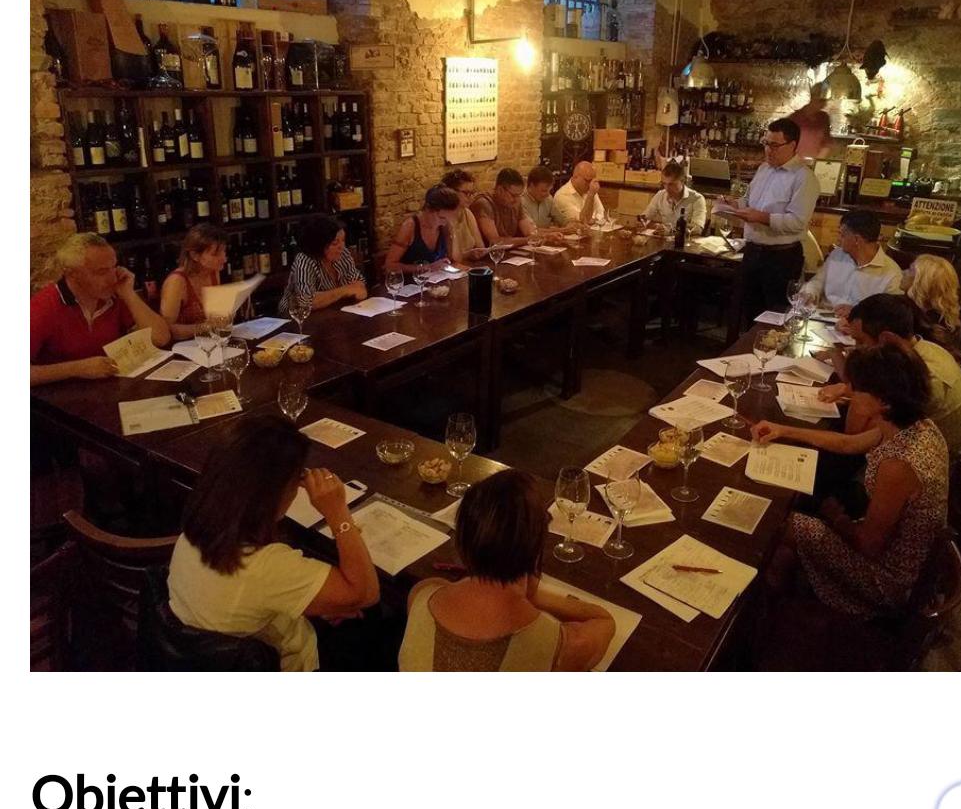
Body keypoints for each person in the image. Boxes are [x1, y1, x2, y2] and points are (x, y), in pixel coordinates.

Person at [167, 415, 379, 671]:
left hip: (198, 653)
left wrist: (309, 601)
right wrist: (338, 513)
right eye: (296, 480)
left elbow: (249, 594)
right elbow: (366, 593)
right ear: (271, 494)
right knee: (375, 631)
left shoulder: (197, 528)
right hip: (276, 662)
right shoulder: (266, 565)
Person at [756, 344, 949, 616]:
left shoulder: (899, 465)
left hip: (887, 581)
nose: (849, 392)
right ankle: (775, 608)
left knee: (781, 524)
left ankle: (766, 616)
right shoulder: (915, 425)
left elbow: (869, 546)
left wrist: (835, 518)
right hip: (893, 554)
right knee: (786, 544)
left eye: (857, 389)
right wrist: (783, 430)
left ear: (884, 401)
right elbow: (848, 443)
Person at [399, 469, 615, 672]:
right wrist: (533, 595)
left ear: (463, 540)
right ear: (535, 548)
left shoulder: (420, 595)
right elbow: (604, 621)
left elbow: (445, 588)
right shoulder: (561, 646)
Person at [833, 292, 961, 457]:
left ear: (886, 339)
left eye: (861, 341)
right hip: (908, 452)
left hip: (933, 464)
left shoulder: (919, 378)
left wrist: (855, 389)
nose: (856, 348)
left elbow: (854, 436)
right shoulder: (925, 349)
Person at [713, 118, 820, 324]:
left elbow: (798, 222)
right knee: (750, 314)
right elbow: (749, 201)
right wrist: (734, 204)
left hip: (781, 258)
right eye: (766, 143)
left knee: (775, 317)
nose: (768, 150)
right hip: (753, 252)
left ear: (793, 145)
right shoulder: (764, 169)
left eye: (774, 145)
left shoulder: (804, 178)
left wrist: (762, 218)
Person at [30, 232, 171, 386]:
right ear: (72, 274)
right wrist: (76, 368)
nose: (113, 278)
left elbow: (161, 338)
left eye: (114, 268)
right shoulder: (44, 306)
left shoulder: (115, 295)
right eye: (101, 272)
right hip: (61, 395)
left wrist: (128, 293)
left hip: (110, 389)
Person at [801, 209, 903, 316]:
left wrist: (857, 312)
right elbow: (817, 281)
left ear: (856, 240)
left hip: (858, 324)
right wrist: (809, 292)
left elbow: (891, 315)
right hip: (821, 318)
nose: (838, 239)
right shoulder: (837, 255)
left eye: (842, 235)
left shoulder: (892, 273)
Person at [279, 214, 367, 315]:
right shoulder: (304, 260)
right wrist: (344, 290)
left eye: (343, 240)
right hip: (294, 318)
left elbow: (359, 286)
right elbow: (305, 301)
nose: (341, 246)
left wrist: (354, 289)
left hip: (332, 313)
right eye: (335, 243)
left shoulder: (343, 253)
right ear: (319, 245)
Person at [160, 223, 228, 339]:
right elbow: (166, 330)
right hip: (182, 345)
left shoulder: (213, 271)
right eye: (215, 254)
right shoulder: (176, 282)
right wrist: (207, 327)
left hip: (207, 341)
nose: (224, 258)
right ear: (195, 255)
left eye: (224, 251)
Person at [385, 184, 460, 270]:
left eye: (449, 218)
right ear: (428, 209)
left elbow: (454, 259)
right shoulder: (410, 227)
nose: (444, 223)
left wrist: (453, 234)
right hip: (413, 278)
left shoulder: (445, 226)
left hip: (438, 277)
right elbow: (390, 265)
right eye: (441, 218)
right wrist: (427, 267)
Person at [902, 253, 961, 350]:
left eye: (910, 270)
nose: (903, 272)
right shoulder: (951, 324)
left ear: (921, 283)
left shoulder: (904, 314)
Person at [640, 158, 708, 237]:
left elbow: (697, 229)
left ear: (683, 181)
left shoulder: (697, 199)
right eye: (664, 184)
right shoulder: (660, 195)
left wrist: (671, 231)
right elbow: (646, 216)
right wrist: (642, 222)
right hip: (664, 241)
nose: (667, 188)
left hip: (685, 242)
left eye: (671, 184)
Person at [471, 168, 535, 243]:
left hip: (511, 248)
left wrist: (538, 237)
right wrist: (527, 240)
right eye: (513, 195)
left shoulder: (515, 202)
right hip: (490, 250)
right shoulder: (484, 203)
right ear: (500, 190)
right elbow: (494, 241)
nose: (517, 199)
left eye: (519, 195)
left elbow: (529, 232)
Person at [441, 168, 486, 260]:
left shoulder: (467, 213)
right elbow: (450, 258)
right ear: (451, 192)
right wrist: (467, 255)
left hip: (471, 265)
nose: (470, 197)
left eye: (472, 193)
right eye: (466, 193)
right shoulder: (443, 217)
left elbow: (480, 246)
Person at [551, 158, 603, 230]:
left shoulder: (590, 189)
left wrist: (594, 219)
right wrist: (591, 195)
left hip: (589, 231)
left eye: (592, 181)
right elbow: (583, 220)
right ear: (575, 177)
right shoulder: (562, 195)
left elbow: (601, 213)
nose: (590, 184)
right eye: (587, 180)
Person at [522, 165, 559, 229]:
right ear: (532, 186)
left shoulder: (548, 199)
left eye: (550, 190)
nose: (548, 194)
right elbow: (532, 230)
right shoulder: (520, 202)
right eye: (544, 191)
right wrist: (564, 230)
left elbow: (562, 219)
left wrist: (571, 223)